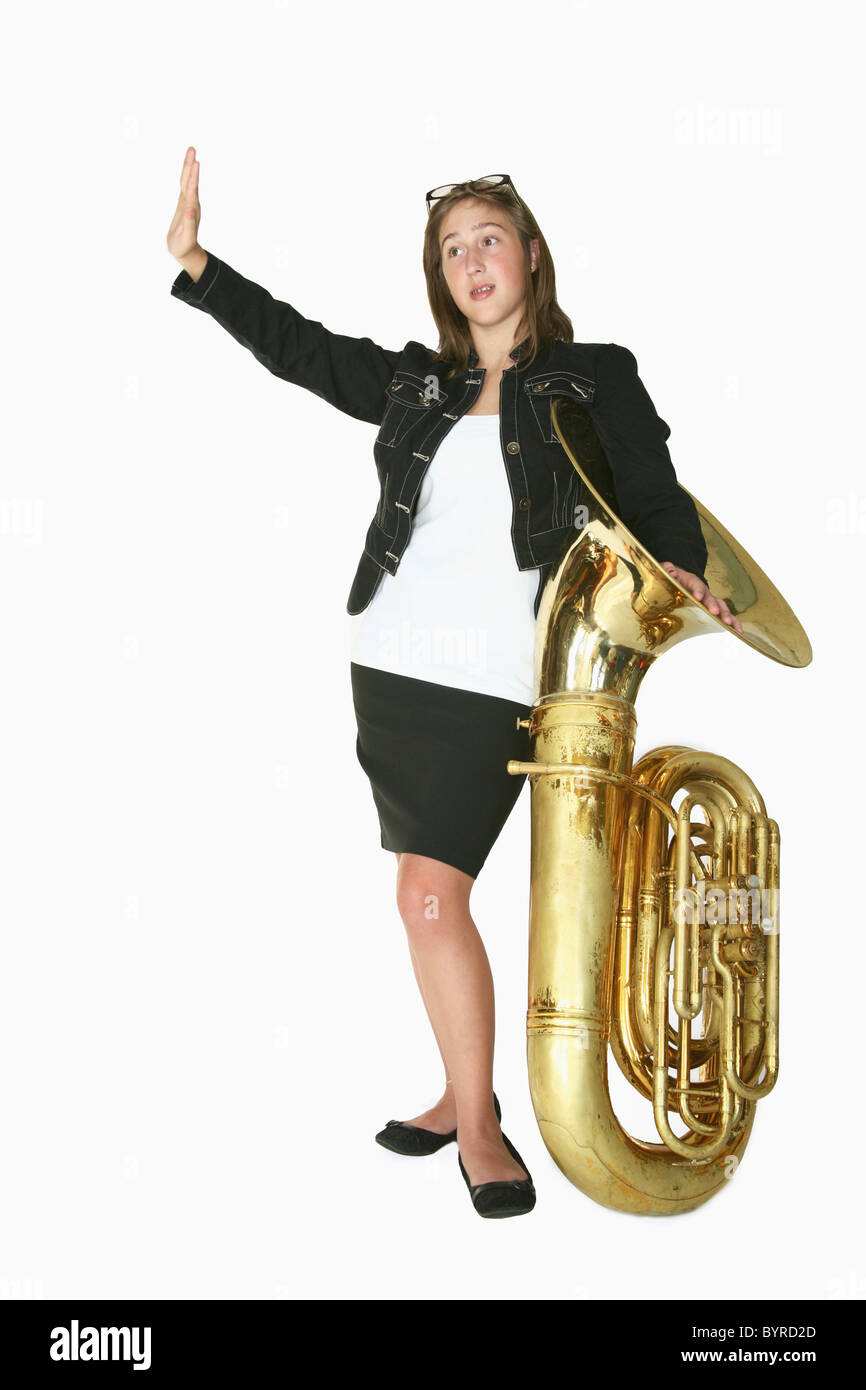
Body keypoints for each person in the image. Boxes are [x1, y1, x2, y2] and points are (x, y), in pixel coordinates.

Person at [166, 150, 742, 1219]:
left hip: (507, 676)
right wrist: (200, 265)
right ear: (441, 279)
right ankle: (463, 1100)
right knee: (422, 897)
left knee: (434, 896)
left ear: (529, 254)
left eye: (488, 238)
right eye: (450, 247)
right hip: (392, 663)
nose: (471, 259)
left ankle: (475, 1121)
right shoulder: (414, 383)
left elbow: (656, 489)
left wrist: (684, 570)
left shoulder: (596, 372)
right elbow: (298, 348)